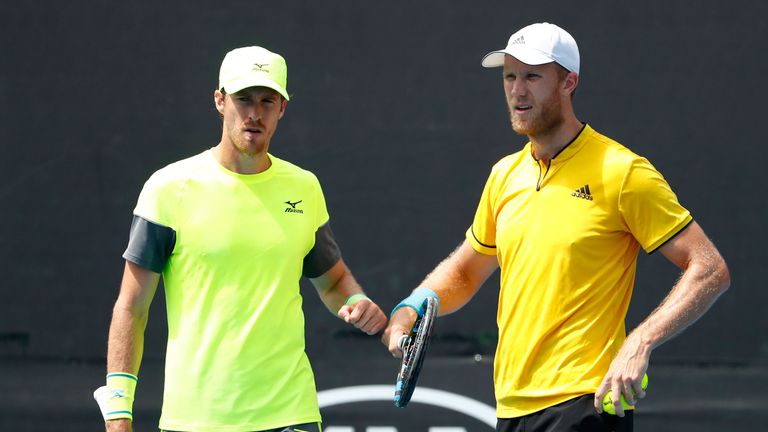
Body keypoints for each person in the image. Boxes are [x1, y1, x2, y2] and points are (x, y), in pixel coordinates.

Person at [383, 22, 730, 432]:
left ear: (569, 82)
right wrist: (413, 305)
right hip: (512, 407)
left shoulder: (622, 172)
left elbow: (709, 268)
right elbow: (465, 270)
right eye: (509, 76)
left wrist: (640, 342)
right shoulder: (503, 175)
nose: (517, 90)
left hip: (587, 403)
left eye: (532, 75)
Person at [94, 46, 388, 432]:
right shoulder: (168, 189)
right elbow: (131, 308)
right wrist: (118, 412)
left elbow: (332, 280)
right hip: (195, 420)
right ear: (220, 101)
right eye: (243, 99)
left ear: (282, 108)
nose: (254, 113)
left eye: (268, 101)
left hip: (291, 414)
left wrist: (356, 301)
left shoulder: (304, 188)